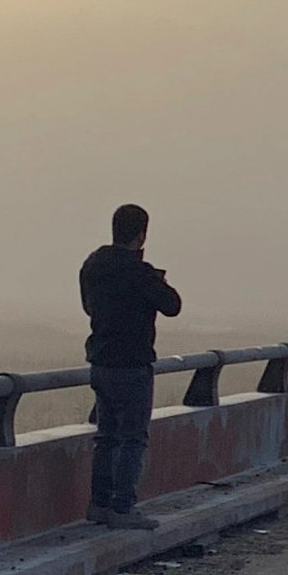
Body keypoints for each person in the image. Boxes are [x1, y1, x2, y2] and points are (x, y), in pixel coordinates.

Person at [80, 203, 183, 531]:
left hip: (100, 361)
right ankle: (122, 508)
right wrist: (155, 279)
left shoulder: (93, 265)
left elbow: (88, 306)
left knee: (106, 436)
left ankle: (99, 505)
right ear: (141, 234)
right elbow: (172, 305)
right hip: (131, 365)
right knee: (132, 438)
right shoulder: (139, 273)